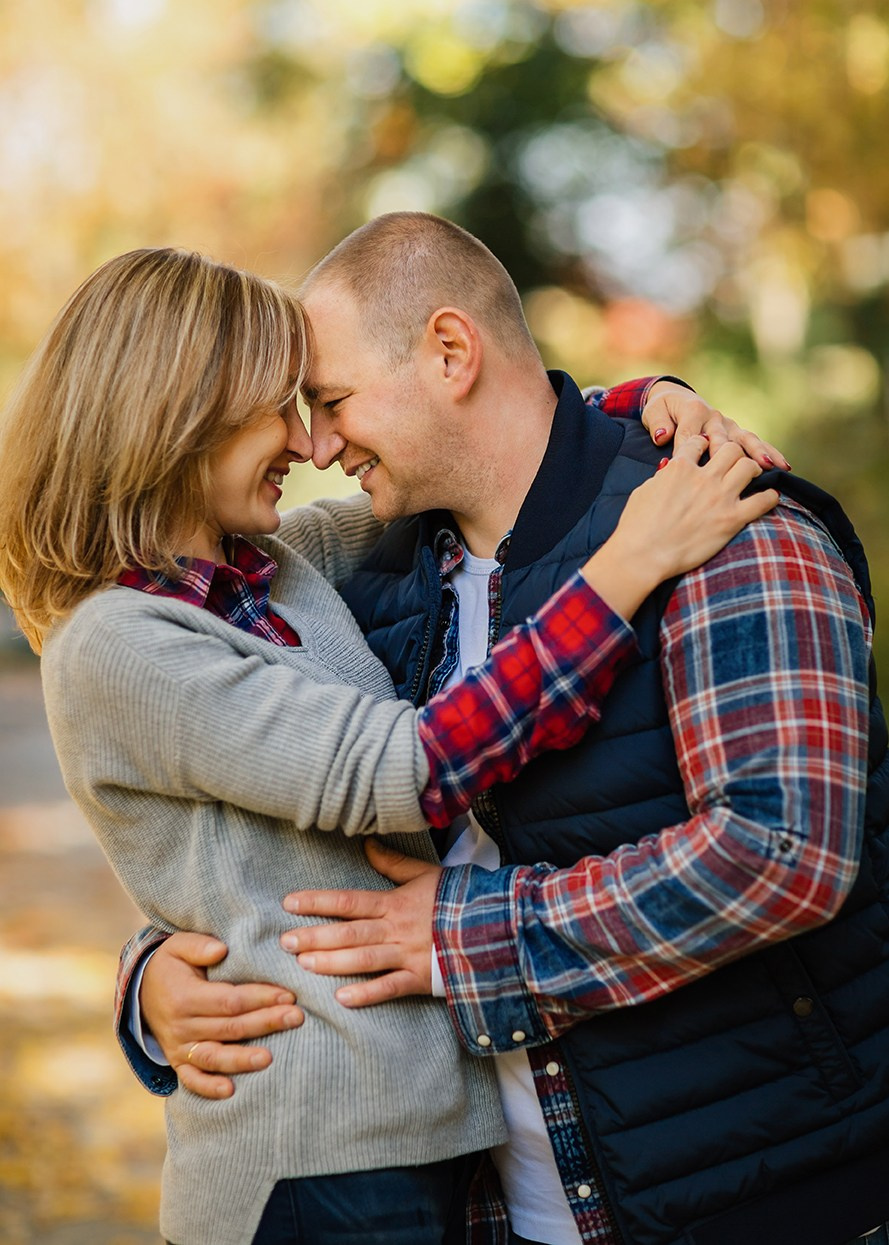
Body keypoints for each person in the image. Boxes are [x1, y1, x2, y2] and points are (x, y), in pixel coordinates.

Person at [0, 245, 779, 1245]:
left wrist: (641, 400)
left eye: (315, 402)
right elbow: (402, 769)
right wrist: (626, 566)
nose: (307, 439)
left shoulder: (281, 569)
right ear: (179, 414)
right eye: (279, 406)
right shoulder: (119, 642)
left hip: (414, 1142)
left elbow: (486, 441)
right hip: (313, 1165)